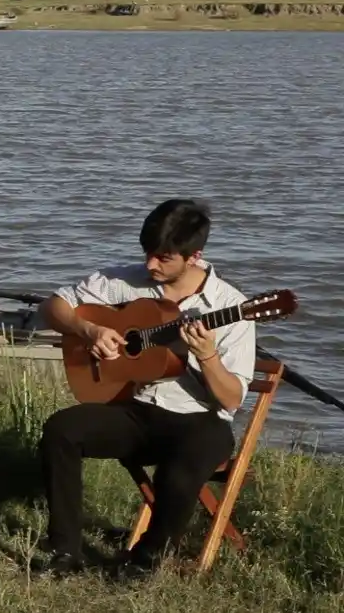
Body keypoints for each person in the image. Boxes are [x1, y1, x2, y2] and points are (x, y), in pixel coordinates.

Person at [35, 198, 256, 578]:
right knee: (62, 430)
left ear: (195, 256)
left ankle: (146, 561)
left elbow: (232, 399)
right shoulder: (125, 280)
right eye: (148, 254)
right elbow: (52, 306)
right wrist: (90, 330)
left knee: (185, 460)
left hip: (199, 419)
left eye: (164, 258)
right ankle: (65, 552)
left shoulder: (230, 306)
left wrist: (206, 357)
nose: (151, 265)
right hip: (135, 409)